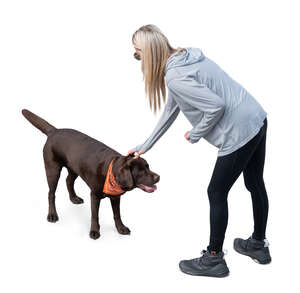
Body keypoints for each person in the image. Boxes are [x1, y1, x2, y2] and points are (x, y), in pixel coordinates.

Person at [128, 24, 271, 278]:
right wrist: (145, 145)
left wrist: (196, 133)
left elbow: (215, 107)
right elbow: (172, 110)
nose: (136, 57)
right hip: (256, 117)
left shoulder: (174, 76)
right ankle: (258, 245)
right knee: (255, 183)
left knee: (216, 191)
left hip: (239, 132)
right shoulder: (184, 57)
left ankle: (214, 259)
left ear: (149, 52)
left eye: (137, 52)